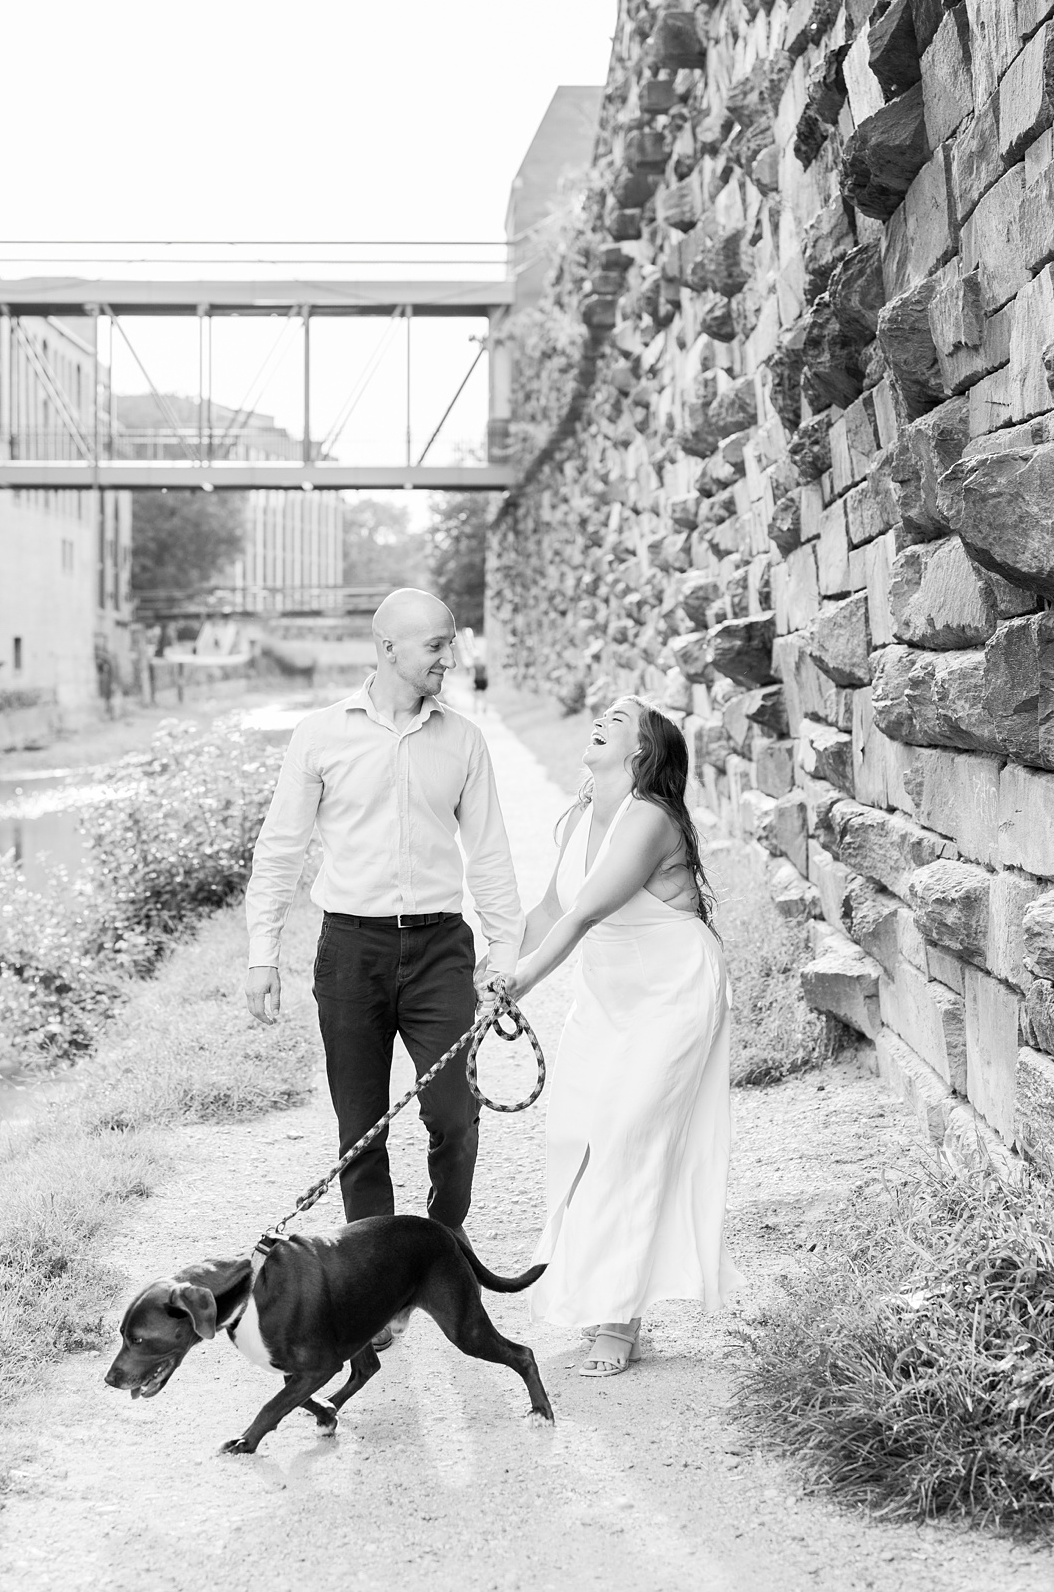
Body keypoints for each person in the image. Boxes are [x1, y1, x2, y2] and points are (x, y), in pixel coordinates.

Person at [243, 588, 523, 1250]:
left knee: (455, 1114)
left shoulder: (463, 739)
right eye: (436, 645)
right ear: (388, 647)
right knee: (361, 1129)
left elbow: (489, 851)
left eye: (451, 642)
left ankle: (440, 1244)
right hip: (350, 950)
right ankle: (375, 1268)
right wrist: (263, 952)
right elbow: (281, 846)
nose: (450, 658)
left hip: (440, 951)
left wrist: (506, 950)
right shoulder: (320, 734)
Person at [507, 695, 738, 1376]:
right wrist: (493, 983)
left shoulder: (649, 818)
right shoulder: (583, 814)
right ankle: (597, 1287)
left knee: (631, 1138)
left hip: (672, 992)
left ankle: (619, 1318)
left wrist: (524, 978)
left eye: (619, 716)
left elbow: (581, 914)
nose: (601, 718)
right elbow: (547, 907)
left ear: (642, 749)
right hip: (608, 994)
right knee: (575, 1136)